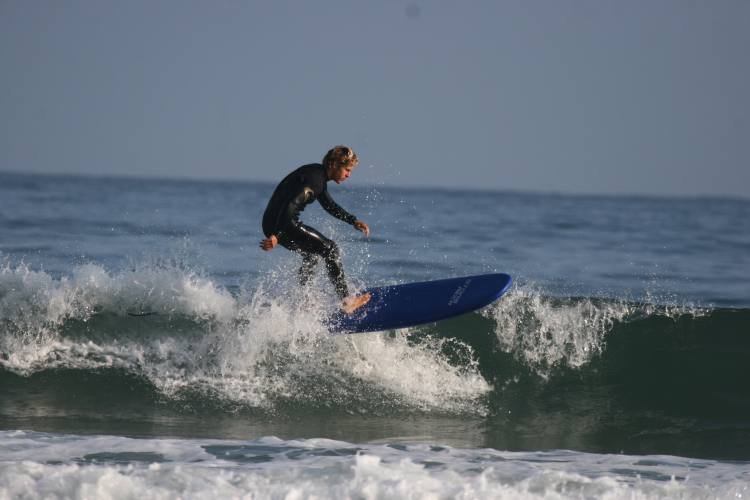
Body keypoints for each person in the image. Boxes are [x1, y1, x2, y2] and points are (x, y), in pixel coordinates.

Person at [259, 145, 371, 314]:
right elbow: (290, 205)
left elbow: (329, 204)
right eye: (347, 169)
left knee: (312, 255)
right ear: (334, 164)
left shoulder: (317, 175)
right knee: (330, 249)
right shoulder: (315, 181)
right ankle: (347, 301)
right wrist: (277, 235)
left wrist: (352, 220)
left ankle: (304, 302)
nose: (348, 175)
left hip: (272, 222)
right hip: (283, 223)